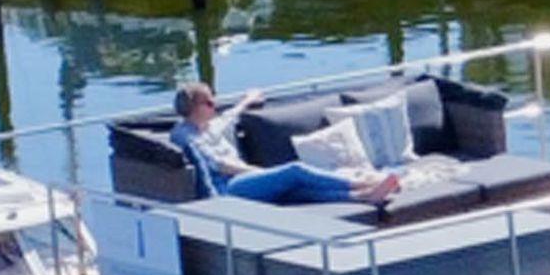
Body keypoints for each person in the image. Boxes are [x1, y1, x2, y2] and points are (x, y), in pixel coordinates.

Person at [169, 82, 399, 206]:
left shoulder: (210, 125)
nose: (214, 105)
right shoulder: (185, 135)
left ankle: (362, 196)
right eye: (209, 103)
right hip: (228, 188)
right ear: (193, 108)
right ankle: (359, 184)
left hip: (242, 179)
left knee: (295, 190)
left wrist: (248, 100)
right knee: (294, 171)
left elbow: (231, 115)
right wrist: (261, 172)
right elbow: (221, 165)